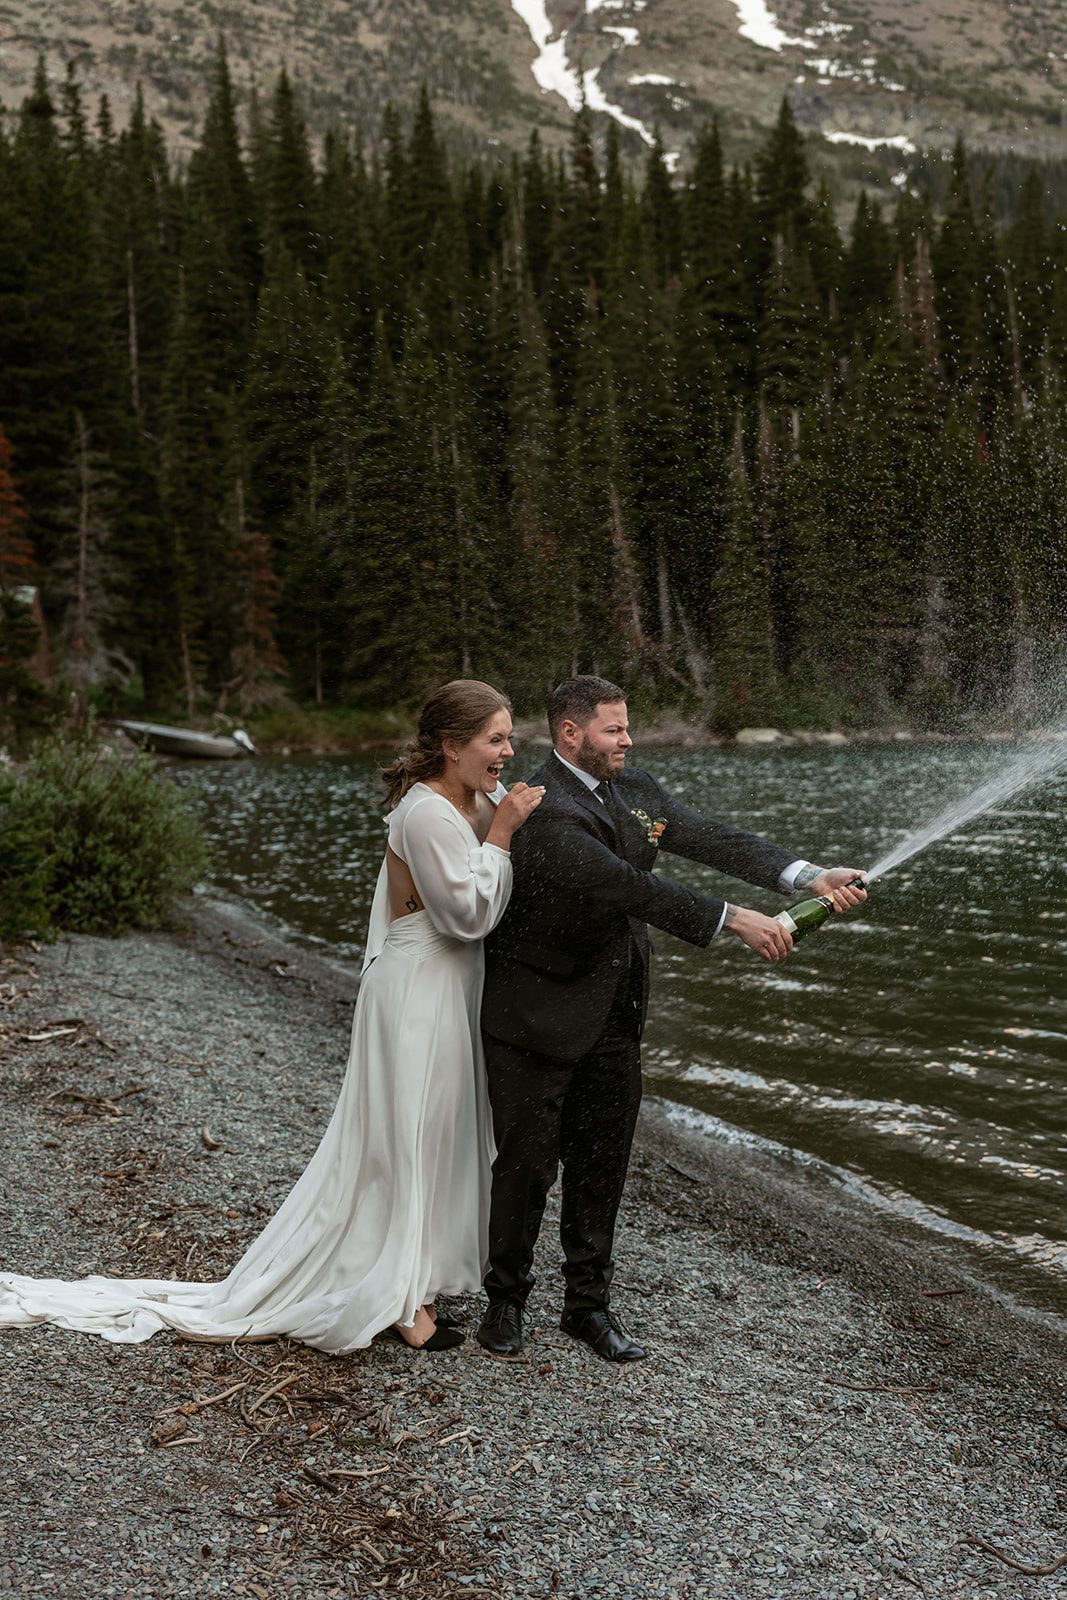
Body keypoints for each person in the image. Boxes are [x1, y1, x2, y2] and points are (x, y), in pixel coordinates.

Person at [0, 681, 543, 1354]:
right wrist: (501, 836)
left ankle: (416, 1278)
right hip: (416, 989)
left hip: (453, 989)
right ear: (450, 745)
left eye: (508, 736)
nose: (507, 750)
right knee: (402, 1138)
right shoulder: (425, 813)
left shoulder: (482, 798)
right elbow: (467, 916)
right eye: (495, 738)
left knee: (437, 1135)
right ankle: (398, 1302)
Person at [478, 675, 867, 1364]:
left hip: (616, 1011)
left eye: (627, 728)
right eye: (613, 729)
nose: (627, 739)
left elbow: (711, 838)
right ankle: (504, 1302)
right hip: (535, 1013)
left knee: (602, 1164)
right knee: (526, 1167)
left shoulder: (640, 791)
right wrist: (734, 919)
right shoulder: (538, 805)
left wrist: (806, 877)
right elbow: (624, 885)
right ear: (570, 733)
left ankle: (586, 1308)